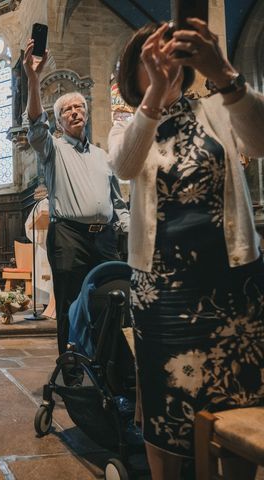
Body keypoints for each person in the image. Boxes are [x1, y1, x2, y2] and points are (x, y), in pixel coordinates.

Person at [109, 20, 264, 480]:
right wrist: (155, 94)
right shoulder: (126, 124)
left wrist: (225, 73)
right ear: (131, 75)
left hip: (234, 284)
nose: (161, 63)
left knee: (238, 400)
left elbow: (260, 140)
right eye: (148, 59)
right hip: (163, 292)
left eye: (169, 53)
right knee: (167, 407)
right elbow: (124, 165)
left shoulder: (219, 106)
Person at [23, 39, 129, 354]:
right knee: (69, 304)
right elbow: (35, 126)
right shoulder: (52, 149)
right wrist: (33, 78)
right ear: (59, 120)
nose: (74, 112)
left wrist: (126, 227)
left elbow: (118, 202)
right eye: (67, 110)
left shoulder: (102, 155)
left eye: (78, 107)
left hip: (105, 239)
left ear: (86, 114)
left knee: (112, 298)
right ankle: (71, 368)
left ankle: (106, 363)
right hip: (69, 237)